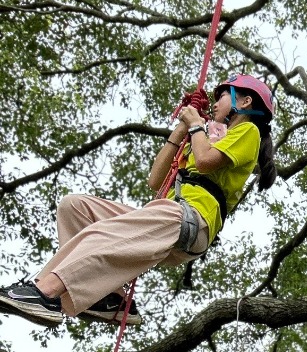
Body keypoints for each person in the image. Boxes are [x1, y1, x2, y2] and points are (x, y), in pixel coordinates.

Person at [0, 73, 276, 327]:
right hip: (170, 216)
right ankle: (109, 298)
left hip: (192, 221)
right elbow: (155, 181)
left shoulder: (248, 132)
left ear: (245, 101)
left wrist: (195, 125)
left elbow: (204, 162)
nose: (215, 104)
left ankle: (46, 292)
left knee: (103, 234)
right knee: (74, 207)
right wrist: (181, 131)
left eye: (222, 96)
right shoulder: (209, 137)